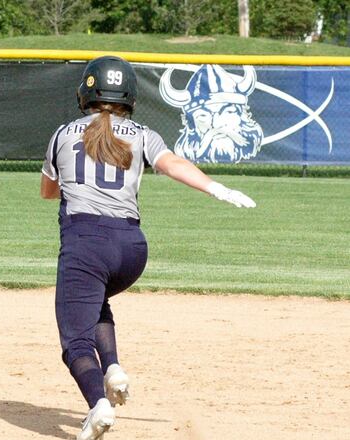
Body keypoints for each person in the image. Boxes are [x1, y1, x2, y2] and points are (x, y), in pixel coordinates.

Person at [40, 56, 255, 440]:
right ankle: (113, 370)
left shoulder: (62, 133)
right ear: (131, 96)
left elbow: (47, 192)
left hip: (86, 243)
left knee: (74, 339)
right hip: (132, 250)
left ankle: (98, 406)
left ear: (86, 92)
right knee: (96, 302)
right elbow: (172, 163)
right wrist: (217, 188)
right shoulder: (142, 134)